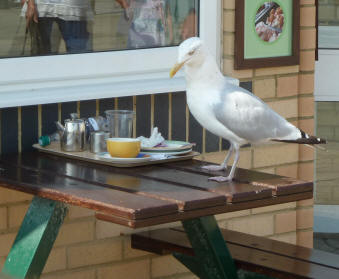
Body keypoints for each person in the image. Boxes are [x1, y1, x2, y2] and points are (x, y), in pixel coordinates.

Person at [21, 0, 94, 54]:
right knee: (42, 57)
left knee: (78, 52)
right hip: (41, 8)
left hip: (72, 7)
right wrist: (30, 3)